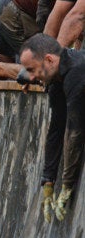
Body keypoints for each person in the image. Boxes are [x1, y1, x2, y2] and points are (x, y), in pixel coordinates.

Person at [20, 33, 84, 222]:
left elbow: (75, 132)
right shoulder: (56, 76)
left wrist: (66, 185)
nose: (31, 77)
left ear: (49, 59)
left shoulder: (77, 71)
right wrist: (47, 182)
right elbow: (56, 128)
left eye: (32, 70)